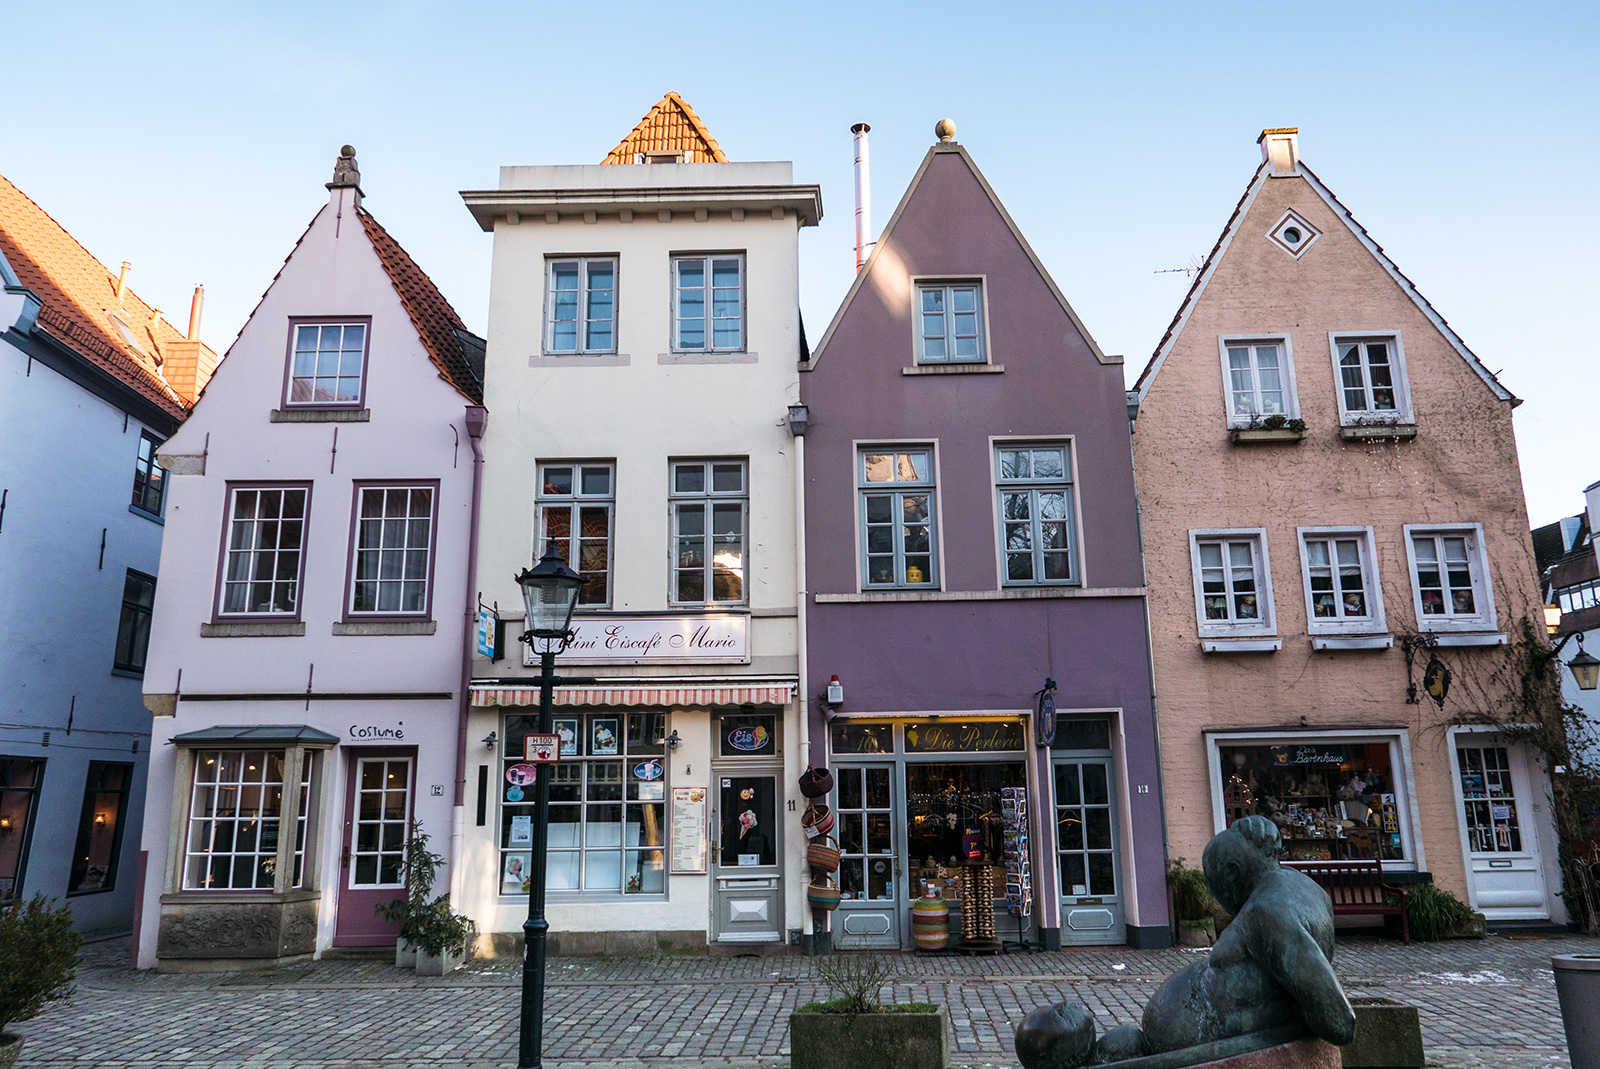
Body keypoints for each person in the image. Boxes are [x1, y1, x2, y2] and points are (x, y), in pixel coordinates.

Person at [1139, 816, 1355, 1052]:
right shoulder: (1305, 887)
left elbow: (1338, 1021)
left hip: (1195, 1038)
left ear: (1232, 872)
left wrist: (1250, 1043)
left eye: (1211, 880)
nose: (1211, 892)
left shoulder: (1265, 912)